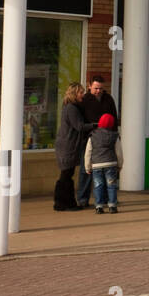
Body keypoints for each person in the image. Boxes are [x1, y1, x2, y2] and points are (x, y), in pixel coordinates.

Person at [78, 76, 119, 208]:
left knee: (107, 171)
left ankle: (107, 199)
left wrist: (115, 135)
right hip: (90, 138)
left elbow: (114, 118)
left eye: (100, 88)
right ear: (89, 86)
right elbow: (81, 122)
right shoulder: (84, 100)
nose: (98, 91)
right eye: (96, 88)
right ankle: (83, 199)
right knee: (86, 169)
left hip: (107, 140)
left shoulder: (108, 99)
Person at [55, 82, 94, 211]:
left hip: (67, 144)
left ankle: (61, 203)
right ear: (74, 94)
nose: (82, 95)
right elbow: (79, 126)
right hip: (68, 146)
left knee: (66, 174)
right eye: (80, 92)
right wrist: (96, 125)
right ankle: (66, 203)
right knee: (66, 175)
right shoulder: (71, 108)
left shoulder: (69, 106)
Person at [84, 113, 123, 214]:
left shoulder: (92, 135)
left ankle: (99, 206)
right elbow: (119, 152)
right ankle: (112, 206)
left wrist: (87, 167)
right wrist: (120, 164)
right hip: (110, 164)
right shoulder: (114, 136)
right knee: (111, 186)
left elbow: (88, 152)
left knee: (98, 185)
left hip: (97, 165)